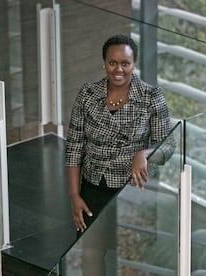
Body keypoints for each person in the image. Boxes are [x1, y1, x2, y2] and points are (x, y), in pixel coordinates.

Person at [65, 34, 175, 275]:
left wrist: (143, 154)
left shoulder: (151, 97)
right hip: (94, 187)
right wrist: (74, 196)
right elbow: (74, 147)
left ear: (133, 64)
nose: (119, 69)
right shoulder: (87, 95)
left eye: (125, 63)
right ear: (104, 63)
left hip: (134, 191)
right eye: (113, 62)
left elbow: (167, 146)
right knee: (91, 252)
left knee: (131, 255)